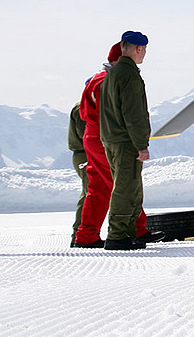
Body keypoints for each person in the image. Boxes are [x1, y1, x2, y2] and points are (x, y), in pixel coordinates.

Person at [73, 42, 154, 249]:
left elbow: (82, 113)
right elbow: (117, 111)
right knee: (123, 183)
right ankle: (134, 230)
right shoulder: (108, 80)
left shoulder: (94, 79)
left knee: (98, 187)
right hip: (107, 135)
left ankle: (85, 235)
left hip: (93, 135)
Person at [101, 31, 158, 250]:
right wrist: (141, 144)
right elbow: (134, 114)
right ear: (139, 49)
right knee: (126, 188)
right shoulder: (129, 75)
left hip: (112, 139)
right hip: (126, 142)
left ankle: (130, 232)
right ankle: (117, 235)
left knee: (130, 187)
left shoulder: (112, 74)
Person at [67, 102, 88, 247]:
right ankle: (78, 234)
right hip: (85, 154)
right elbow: (86, 134)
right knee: (90, 193)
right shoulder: (83, 107)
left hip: (86, 153)